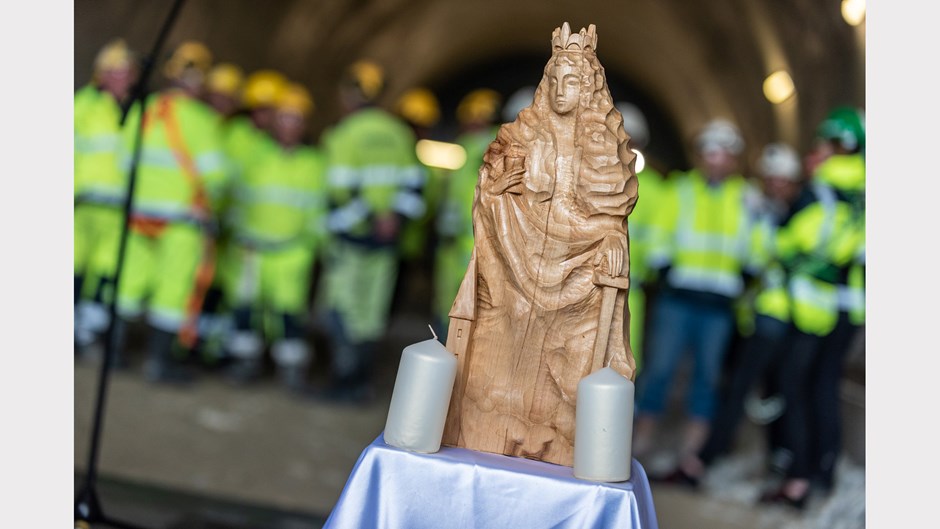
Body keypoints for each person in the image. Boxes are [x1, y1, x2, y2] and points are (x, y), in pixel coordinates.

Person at [443, 23, 638, 465]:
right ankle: (490, 425)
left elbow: (613, 212)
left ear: (586, 89)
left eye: (572, 82)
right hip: (516, 258)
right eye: (555, 80)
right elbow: (491, 189)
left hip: (579, 272)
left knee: (571, 361)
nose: (560, 91)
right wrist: (494, 191)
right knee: (501, 339)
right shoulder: (520, 135)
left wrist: (610, 237)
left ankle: (556, 438)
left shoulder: (604, 144)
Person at [653, 142, 805, 487]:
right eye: (771, 179)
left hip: (780, 315)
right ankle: (779, 463)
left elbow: (771, 253)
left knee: (761, 390)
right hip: (764, 314)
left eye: (782, 180)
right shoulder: (767, 208)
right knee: (763, 389)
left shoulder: (787, 211)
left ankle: (706, 462)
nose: (775, 185)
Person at [632, 118, 764, 463]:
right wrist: (663, 269)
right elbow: (659, 236)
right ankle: (640, 445)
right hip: (678, 298)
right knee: (659, 371)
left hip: (719, 305)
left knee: (707, 379)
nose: (717, 160)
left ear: (734, 159)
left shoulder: (746, 199)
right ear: (700, 156)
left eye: (725, 154)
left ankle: (691, 454)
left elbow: (758, 247)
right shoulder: (680, 190)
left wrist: (752, 268)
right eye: (711, 153)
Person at [758, 107, 865, 509]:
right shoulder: (866, 189)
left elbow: (796, 242)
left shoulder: (824, 187)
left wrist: (779, 241)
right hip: (852, 306)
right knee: (823, 387)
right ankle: (821, 471)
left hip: (816, 306)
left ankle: (799, 477)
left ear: (841, 146)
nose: (817, 150)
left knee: (796, 384)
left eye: (825, 143)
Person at [114, 40, 229, 384]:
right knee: (172, 292)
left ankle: (115, 354)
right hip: (182, 222)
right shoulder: (202, 120)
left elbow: (123, 161)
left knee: (128, 285)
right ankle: (159, 364)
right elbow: (217, 179)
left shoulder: (144, 110)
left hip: (138, 218)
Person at [313, 60, 426, 403]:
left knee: (341, 309)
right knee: (371, 315)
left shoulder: (344, 134)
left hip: (351, 242)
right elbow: (415, 187)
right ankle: (361, 384)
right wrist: (391, 219)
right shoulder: (398, 133)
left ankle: (342, 382)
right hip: (386, 242)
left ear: (348, 94)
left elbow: (339, 191)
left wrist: (370, 217)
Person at [222, 82, 326, 393]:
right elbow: (236, 197)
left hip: (292, 251)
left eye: (296, 119)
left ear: (304, 124)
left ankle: (291, 368)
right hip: (250, 248)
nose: (289, 126)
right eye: (283, 117)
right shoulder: (254, 155)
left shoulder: (314, 163)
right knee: (245, 310)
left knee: (289, 314)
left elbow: (317, 211)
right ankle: (244, 363)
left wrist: (313, 246)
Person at [74, 38, 138, 358]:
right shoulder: (83, 105)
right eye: (114, 72)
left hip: (117, 210)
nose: (121, 78)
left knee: (104, 276)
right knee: (71, 269)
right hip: (80, 204)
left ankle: (87, 336)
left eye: (126, 72)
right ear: (101, 74)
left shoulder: (138, 110)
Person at [432, 88, 501, 338]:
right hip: (457, 240)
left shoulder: (491, 146)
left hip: (471, 243)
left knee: (464, 309)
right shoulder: (469, 147)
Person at [616, 101, 665, 371]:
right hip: (583, 281)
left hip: (630, 284)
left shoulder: (656, 190)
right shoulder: (587, 178)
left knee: (626, 345)